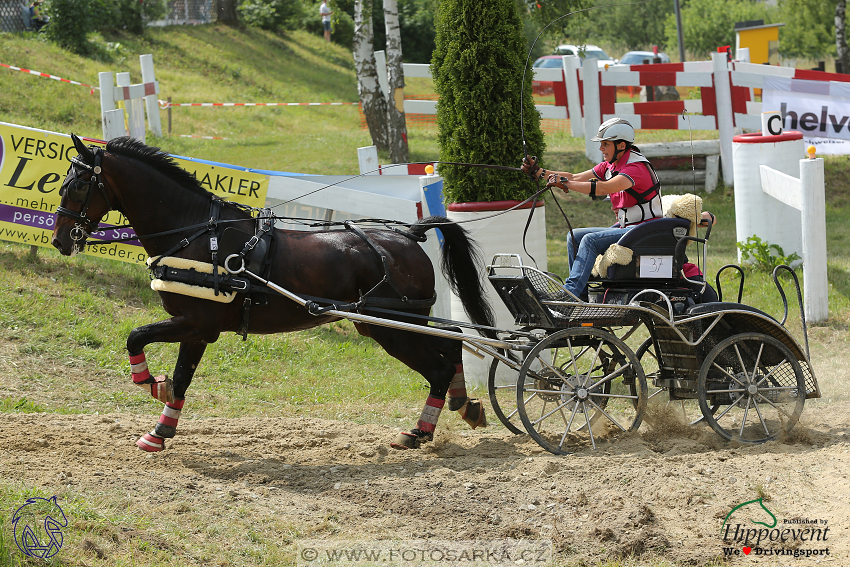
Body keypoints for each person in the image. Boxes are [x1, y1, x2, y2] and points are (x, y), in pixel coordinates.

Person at [521, 117, 663, 300]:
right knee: (575, 237)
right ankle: (580, 297)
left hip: (644, 231)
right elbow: (574, 176)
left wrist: (564, 183)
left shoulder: (636, 168)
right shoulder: (611, 165)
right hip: (630, 229)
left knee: (589, 240)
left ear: (621, 145)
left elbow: (604, 187)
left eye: (605, 144)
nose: (601, 148)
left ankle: (569, 295)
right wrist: (539, 172)